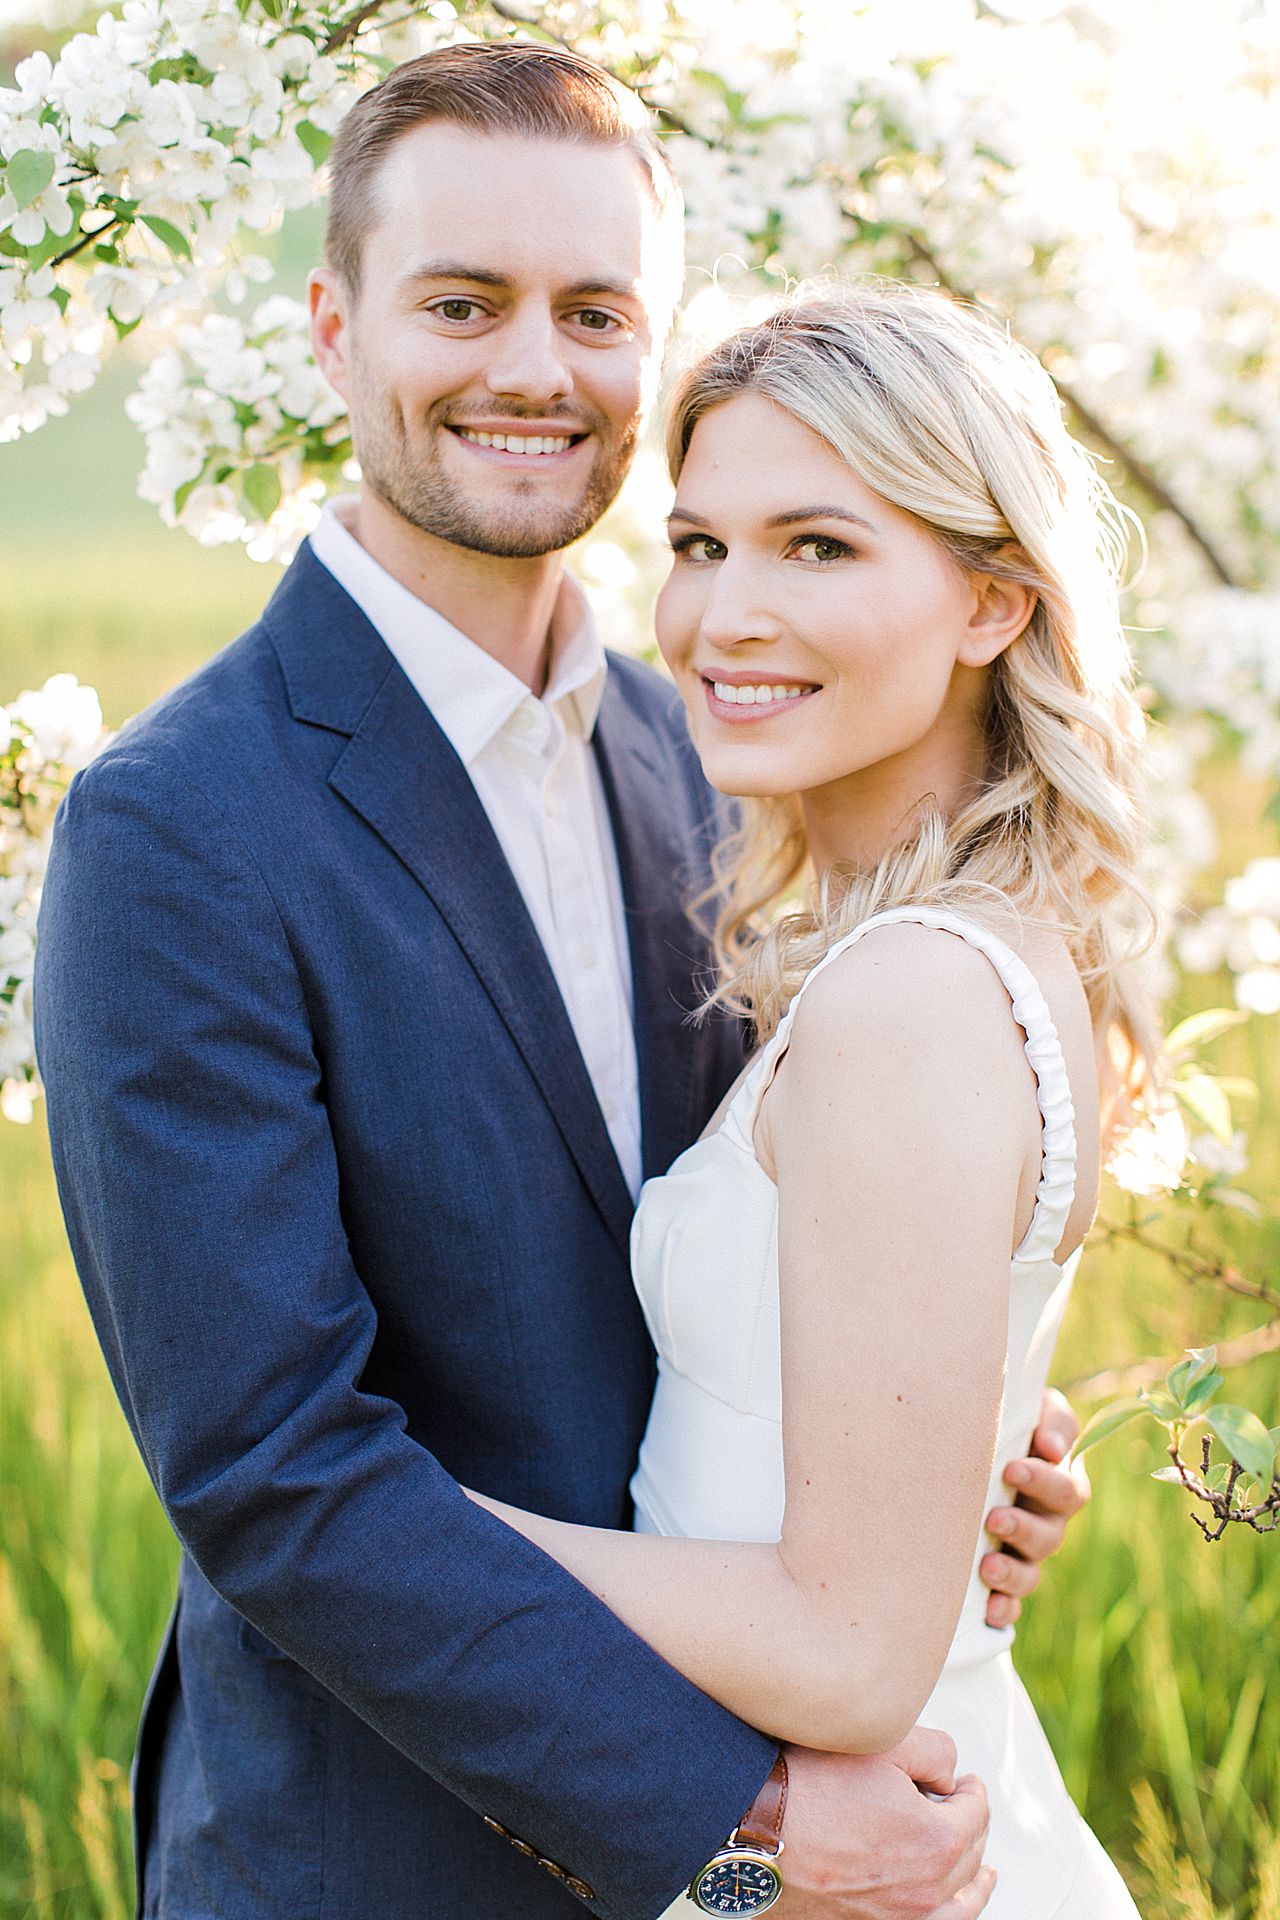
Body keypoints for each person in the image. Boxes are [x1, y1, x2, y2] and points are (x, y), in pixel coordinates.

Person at [34, 44, 1084, 1920]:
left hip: (839, 1768)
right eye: (462, 302)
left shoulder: (730, 757)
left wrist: (950, 1455)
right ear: (333, 327)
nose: (533, 368)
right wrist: (739, 1825)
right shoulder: (177, 831)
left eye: (595, 312)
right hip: (388, 1860)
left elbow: (801, 1245)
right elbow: (273, 1471)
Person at [461, 283, 1154, 1917]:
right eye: (699, 545)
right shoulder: (941, 952)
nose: (724, 617)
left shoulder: (910, 994)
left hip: (877, 1837)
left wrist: (400, 1530)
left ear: (991, 603)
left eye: (818, 548)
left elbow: (848, 1659)